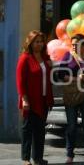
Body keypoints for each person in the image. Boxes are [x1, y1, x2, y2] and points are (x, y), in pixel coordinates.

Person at [58, 34, 84, 164]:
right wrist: (77, 79)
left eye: (76, 44)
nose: (74, 47)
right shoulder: (68, 56)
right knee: (71, 126)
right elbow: (61, 75)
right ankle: (70, 155)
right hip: (72, 96)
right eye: (72, 44)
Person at [16, 31, 54, 165]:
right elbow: (20, 81)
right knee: (27, 130)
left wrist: (51, 66)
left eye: (41, 42)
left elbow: (50, 78)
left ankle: (38, 158)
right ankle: (26, 159)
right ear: (30, 43)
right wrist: (24, 99)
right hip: (30, 100)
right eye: (36, 42)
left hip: (43, 100)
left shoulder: (45, 58)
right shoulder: (25, 58)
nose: (39, 44)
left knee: (40, 131)